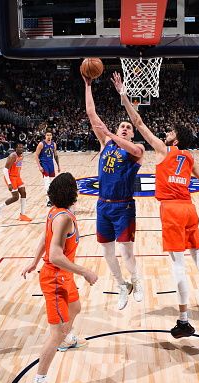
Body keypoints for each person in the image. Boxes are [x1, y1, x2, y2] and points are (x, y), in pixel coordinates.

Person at [110, 72, 199, 339]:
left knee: (178, 265)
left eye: (170, 132)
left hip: (173, 211)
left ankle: (184, 320)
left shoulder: (165, 151)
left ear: (175, 140)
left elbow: (139, 122)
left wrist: (123, 96)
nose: (166, 132)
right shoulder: (189, 157)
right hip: (190, 210)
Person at [21, 172, 98, 383]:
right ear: (71, 192)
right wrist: (85, 272)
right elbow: (54, 254)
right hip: (55, 277)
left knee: (76, 307)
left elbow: (45, 238)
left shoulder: (57, 212)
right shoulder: (62, 217)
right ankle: (39, 382)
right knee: (56, 332)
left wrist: (33, 261)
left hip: (63, 275)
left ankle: (68, 338)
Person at [83, 75, 145, 310]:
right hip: (103, 205)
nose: (126, 128)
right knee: (107, 252)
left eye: (128, 128)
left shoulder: (136, 149)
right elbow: (91, 114)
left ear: (131, 134)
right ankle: (121, 285)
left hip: (124, 206)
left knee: (126, 251)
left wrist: (112, 134)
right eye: (123, 126)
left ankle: (137, 281)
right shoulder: (106, 144)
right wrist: (88, 85)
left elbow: (132, 148)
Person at [0, 143, 32, 221]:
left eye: (22, 147)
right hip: (10, 178)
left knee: (23, 193)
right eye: (19, 147)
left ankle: (22, 215)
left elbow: (17, 167)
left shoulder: (21, 156)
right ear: (15, 148)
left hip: (17, 177)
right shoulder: (13, 156)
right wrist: (9, 183)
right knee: (15, 197)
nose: (21, 149)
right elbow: (5, 170)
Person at [35, 130, 60, 206]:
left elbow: (55, 155)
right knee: (47, 182)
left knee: (52, 182)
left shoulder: (53, 144)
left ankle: (52, 198)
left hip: (51, 164)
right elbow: (36, 155)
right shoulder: (41, 144)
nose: (49, 136)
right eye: (47, 135)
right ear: (45, 136)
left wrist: (58, 165)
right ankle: (48, 200)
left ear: (52, 136)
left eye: (50, 135)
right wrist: (39, 166)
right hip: (44, 164)